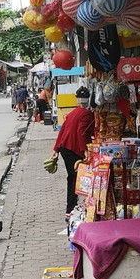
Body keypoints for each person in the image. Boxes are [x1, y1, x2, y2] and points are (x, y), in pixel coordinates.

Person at [50, 87, 95, 215]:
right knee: (74, 178)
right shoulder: (87, 114)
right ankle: (71, 208)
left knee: (73, 177)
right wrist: (85, 150)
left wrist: (56, 149)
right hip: (73, 149)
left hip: (65, 148)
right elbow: (81, 132)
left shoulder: (73, 112)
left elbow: (62, 130)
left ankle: (72, 207)